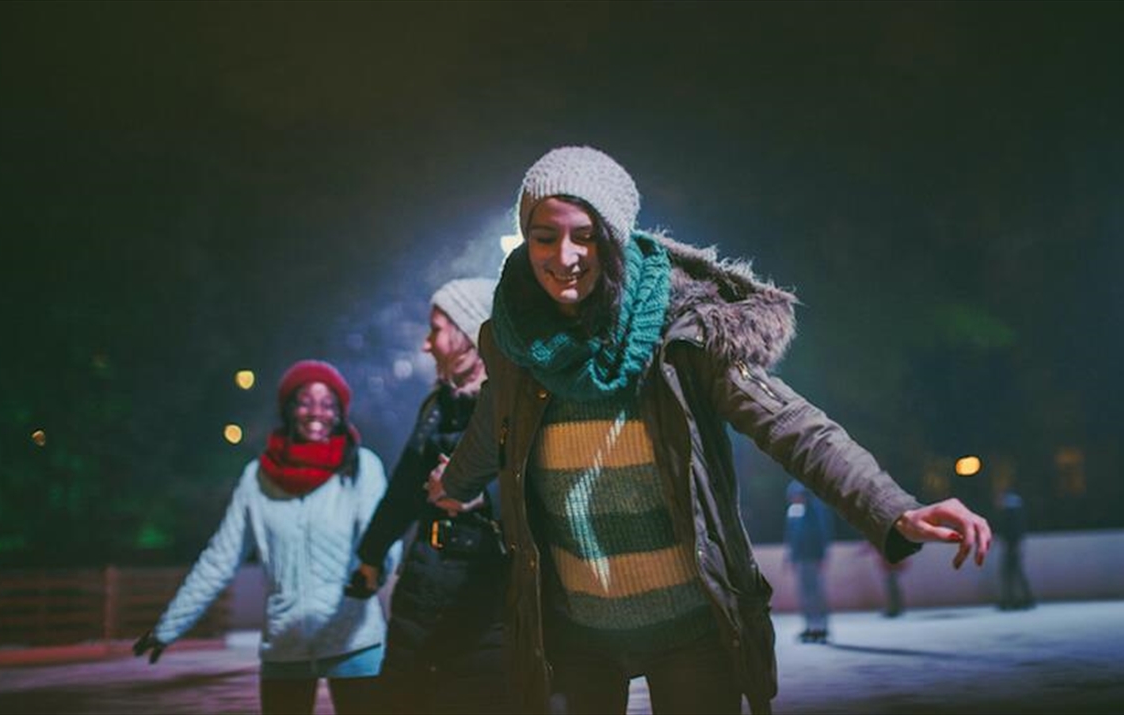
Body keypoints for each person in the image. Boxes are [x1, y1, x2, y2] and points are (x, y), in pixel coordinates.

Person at [427, 146, 992, 715]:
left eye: (585, 236)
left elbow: (793, 427)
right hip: (576, 634)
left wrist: (894, 508)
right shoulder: (513, 341)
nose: (563, 256)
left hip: (692, 629)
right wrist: (452, 484)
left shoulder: (684, 333)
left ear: (615, 238)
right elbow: (490, 431)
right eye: (544, 236)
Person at [134, 360, 389, 715]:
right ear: (288, 408)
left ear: (340, 413)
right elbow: (220, 557)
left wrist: (376, 569)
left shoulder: (361, 467)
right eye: (305, 401)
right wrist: (168, 627)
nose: (316, 412)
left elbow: (382, 536)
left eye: (328, 403)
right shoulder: (257, 478)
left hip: (353, 639)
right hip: (286, 643)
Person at [347, 278, 513, 714]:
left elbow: (538, 485)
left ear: (468, 332)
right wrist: (371, 555)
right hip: (424, 581)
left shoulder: (511, 404)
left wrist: (480, 498)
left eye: (435, 329)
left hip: (486, 591)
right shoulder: (436, 405)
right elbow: (404, 489)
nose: (426, 345)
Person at [783, 482, 834, 643]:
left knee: (816, 594)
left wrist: (822, 556)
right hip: (801, 558)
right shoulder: (794, 511)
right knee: (805, 594)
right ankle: (810, 626)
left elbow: (822, 534)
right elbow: (791, 537)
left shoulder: (816, 510)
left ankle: (821, 627)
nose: (793, 499)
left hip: (813, 557)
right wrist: (790, 558)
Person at [996, 488, 1036, 611]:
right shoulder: (1015, 511)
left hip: (1011, 545)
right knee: (1015, 573)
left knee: (1010, 573)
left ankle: (1012, 600)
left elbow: (1011, 530)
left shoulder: (1010, 512)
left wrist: (1012, 544)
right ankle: (1022, 599)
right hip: (1013, 544)